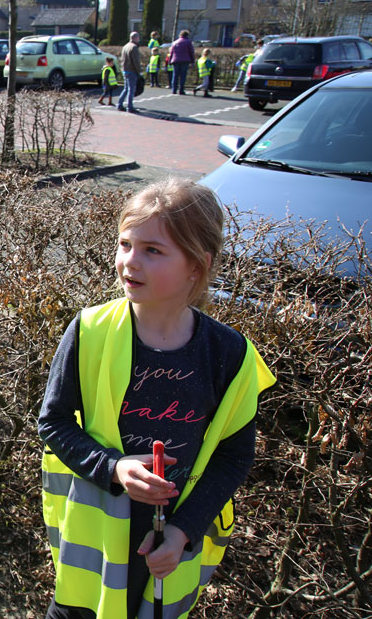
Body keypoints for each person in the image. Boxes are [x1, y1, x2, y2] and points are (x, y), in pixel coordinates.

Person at [37, 179, 275, 619]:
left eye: (153, 250)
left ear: (196, 267)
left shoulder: (230, 354)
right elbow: (53, 423)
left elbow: (233, 456)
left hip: (168, 551)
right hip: (96, 551)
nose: (130, 261)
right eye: (125, 244)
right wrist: (114, 467)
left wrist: (185, 531)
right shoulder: (90, 331)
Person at [118, 31, 141, 113]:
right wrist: (139, 71)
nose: (139, 39)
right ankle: (130, 107)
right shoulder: (134, 47)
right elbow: (136, 61)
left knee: (126, 88)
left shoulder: (125, 46)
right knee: (131, 89)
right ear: (136, 38)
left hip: (125, 69)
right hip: (132, 70)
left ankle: (119, 104)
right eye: (138, 37)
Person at [167, 30, 195, 95]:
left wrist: (170, 61)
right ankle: (181, 90)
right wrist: (192, 60)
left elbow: (171, 52)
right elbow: (191, 52)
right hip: (185, 60)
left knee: (175, 75)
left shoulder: (174, 42)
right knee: (183, 75)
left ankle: (174, 90)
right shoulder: (188, 42)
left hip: (175, 60)